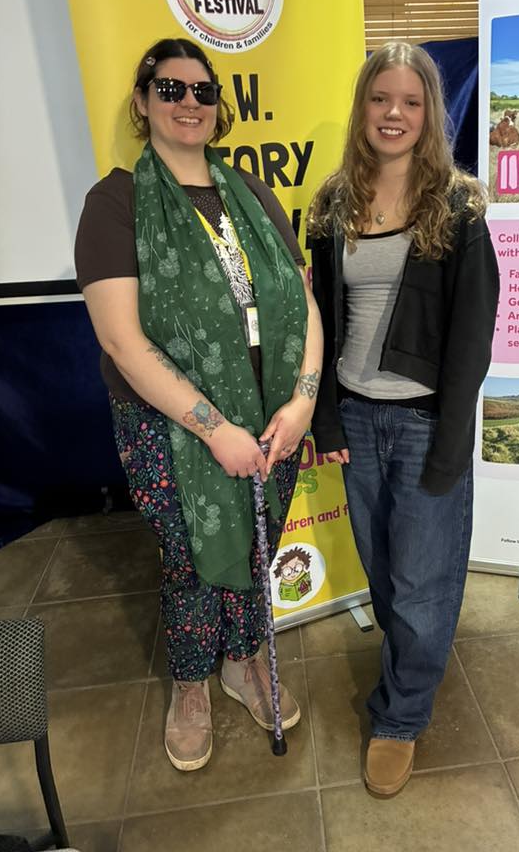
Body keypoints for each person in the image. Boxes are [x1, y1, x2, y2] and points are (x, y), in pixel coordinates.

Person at [75, 37, 323, 771]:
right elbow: (122, 341)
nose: (189, 102)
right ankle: (191, 682)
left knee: (258, 541)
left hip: (272, 412)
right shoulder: (115, 202)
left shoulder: (253, 193)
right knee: (189, 557)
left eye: (202, 91)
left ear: (220, 107)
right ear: (142, 101)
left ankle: (243, 661)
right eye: (171, 88)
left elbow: (302, 300)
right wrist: (213, 430)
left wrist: (304, 400)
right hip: (169, 426)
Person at [308, 41, 499, 796]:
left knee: (422, 584)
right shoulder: (332, 202)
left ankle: (401, 715)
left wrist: (452, 441)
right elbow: (320, 318)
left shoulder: (458, 204)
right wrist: (326, 420)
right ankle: (413, 665)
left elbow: (472, 336)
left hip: (424, 423)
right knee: (388, 575)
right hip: (356, 419)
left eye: (411, 101)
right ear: (363, 108)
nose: (394, 114)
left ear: (431, 113)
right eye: (380, 99)